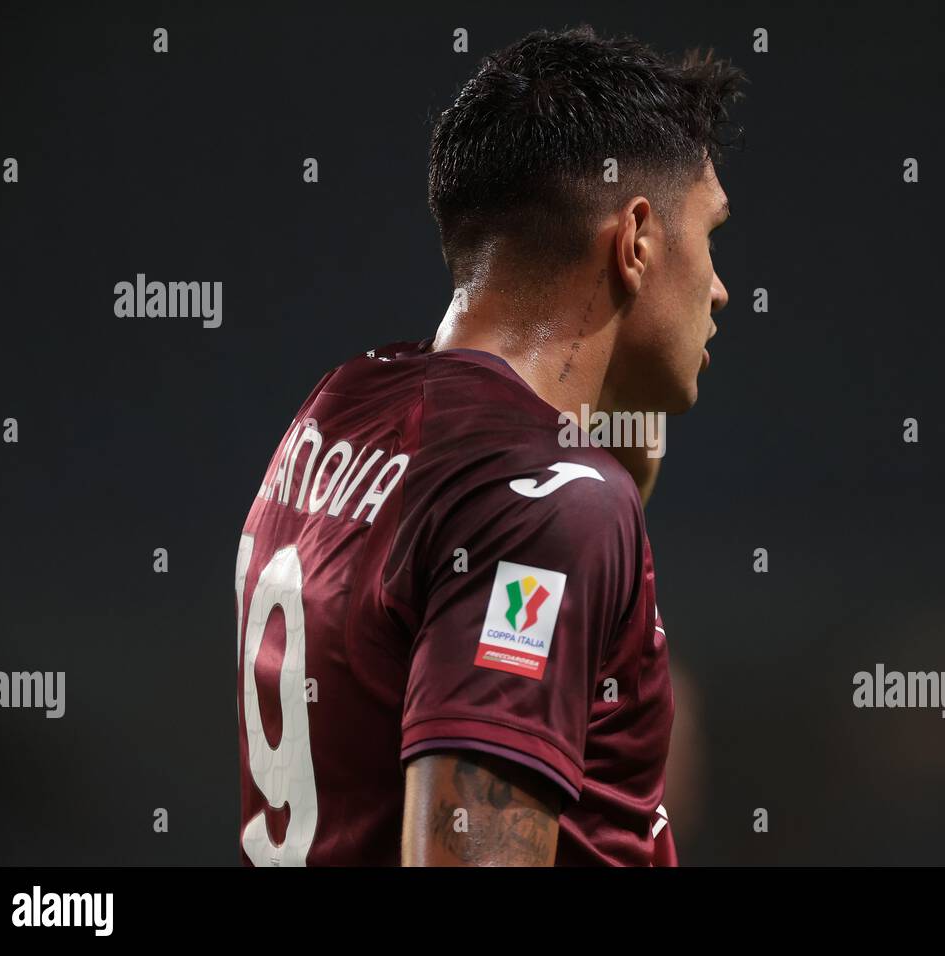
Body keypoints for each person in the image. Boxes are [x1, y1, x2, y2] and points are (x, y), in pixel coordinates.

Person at [235, 24, 744, 866]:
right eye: (711, 234)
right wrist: (584, 490)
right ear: (638, 240)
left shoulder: (340, 406)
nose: (722, 288)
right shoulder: (556, 501)